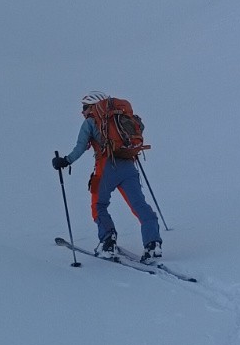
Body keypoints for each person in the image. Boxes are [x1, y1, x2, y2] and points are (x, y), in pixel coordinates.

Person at [52, 93, 162, 261]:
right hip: (128, 165)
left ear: (92, 106)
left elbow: (80, 147)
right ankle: (153, 244)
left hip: (106, 168)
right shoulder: (123, 116)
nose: (82, 111)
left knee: (98, 206)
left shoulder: (90, 122)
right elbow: (139, 129)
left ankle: (107, 242)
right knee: (139, 205)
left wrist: (65, 161)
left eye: (84, 107)